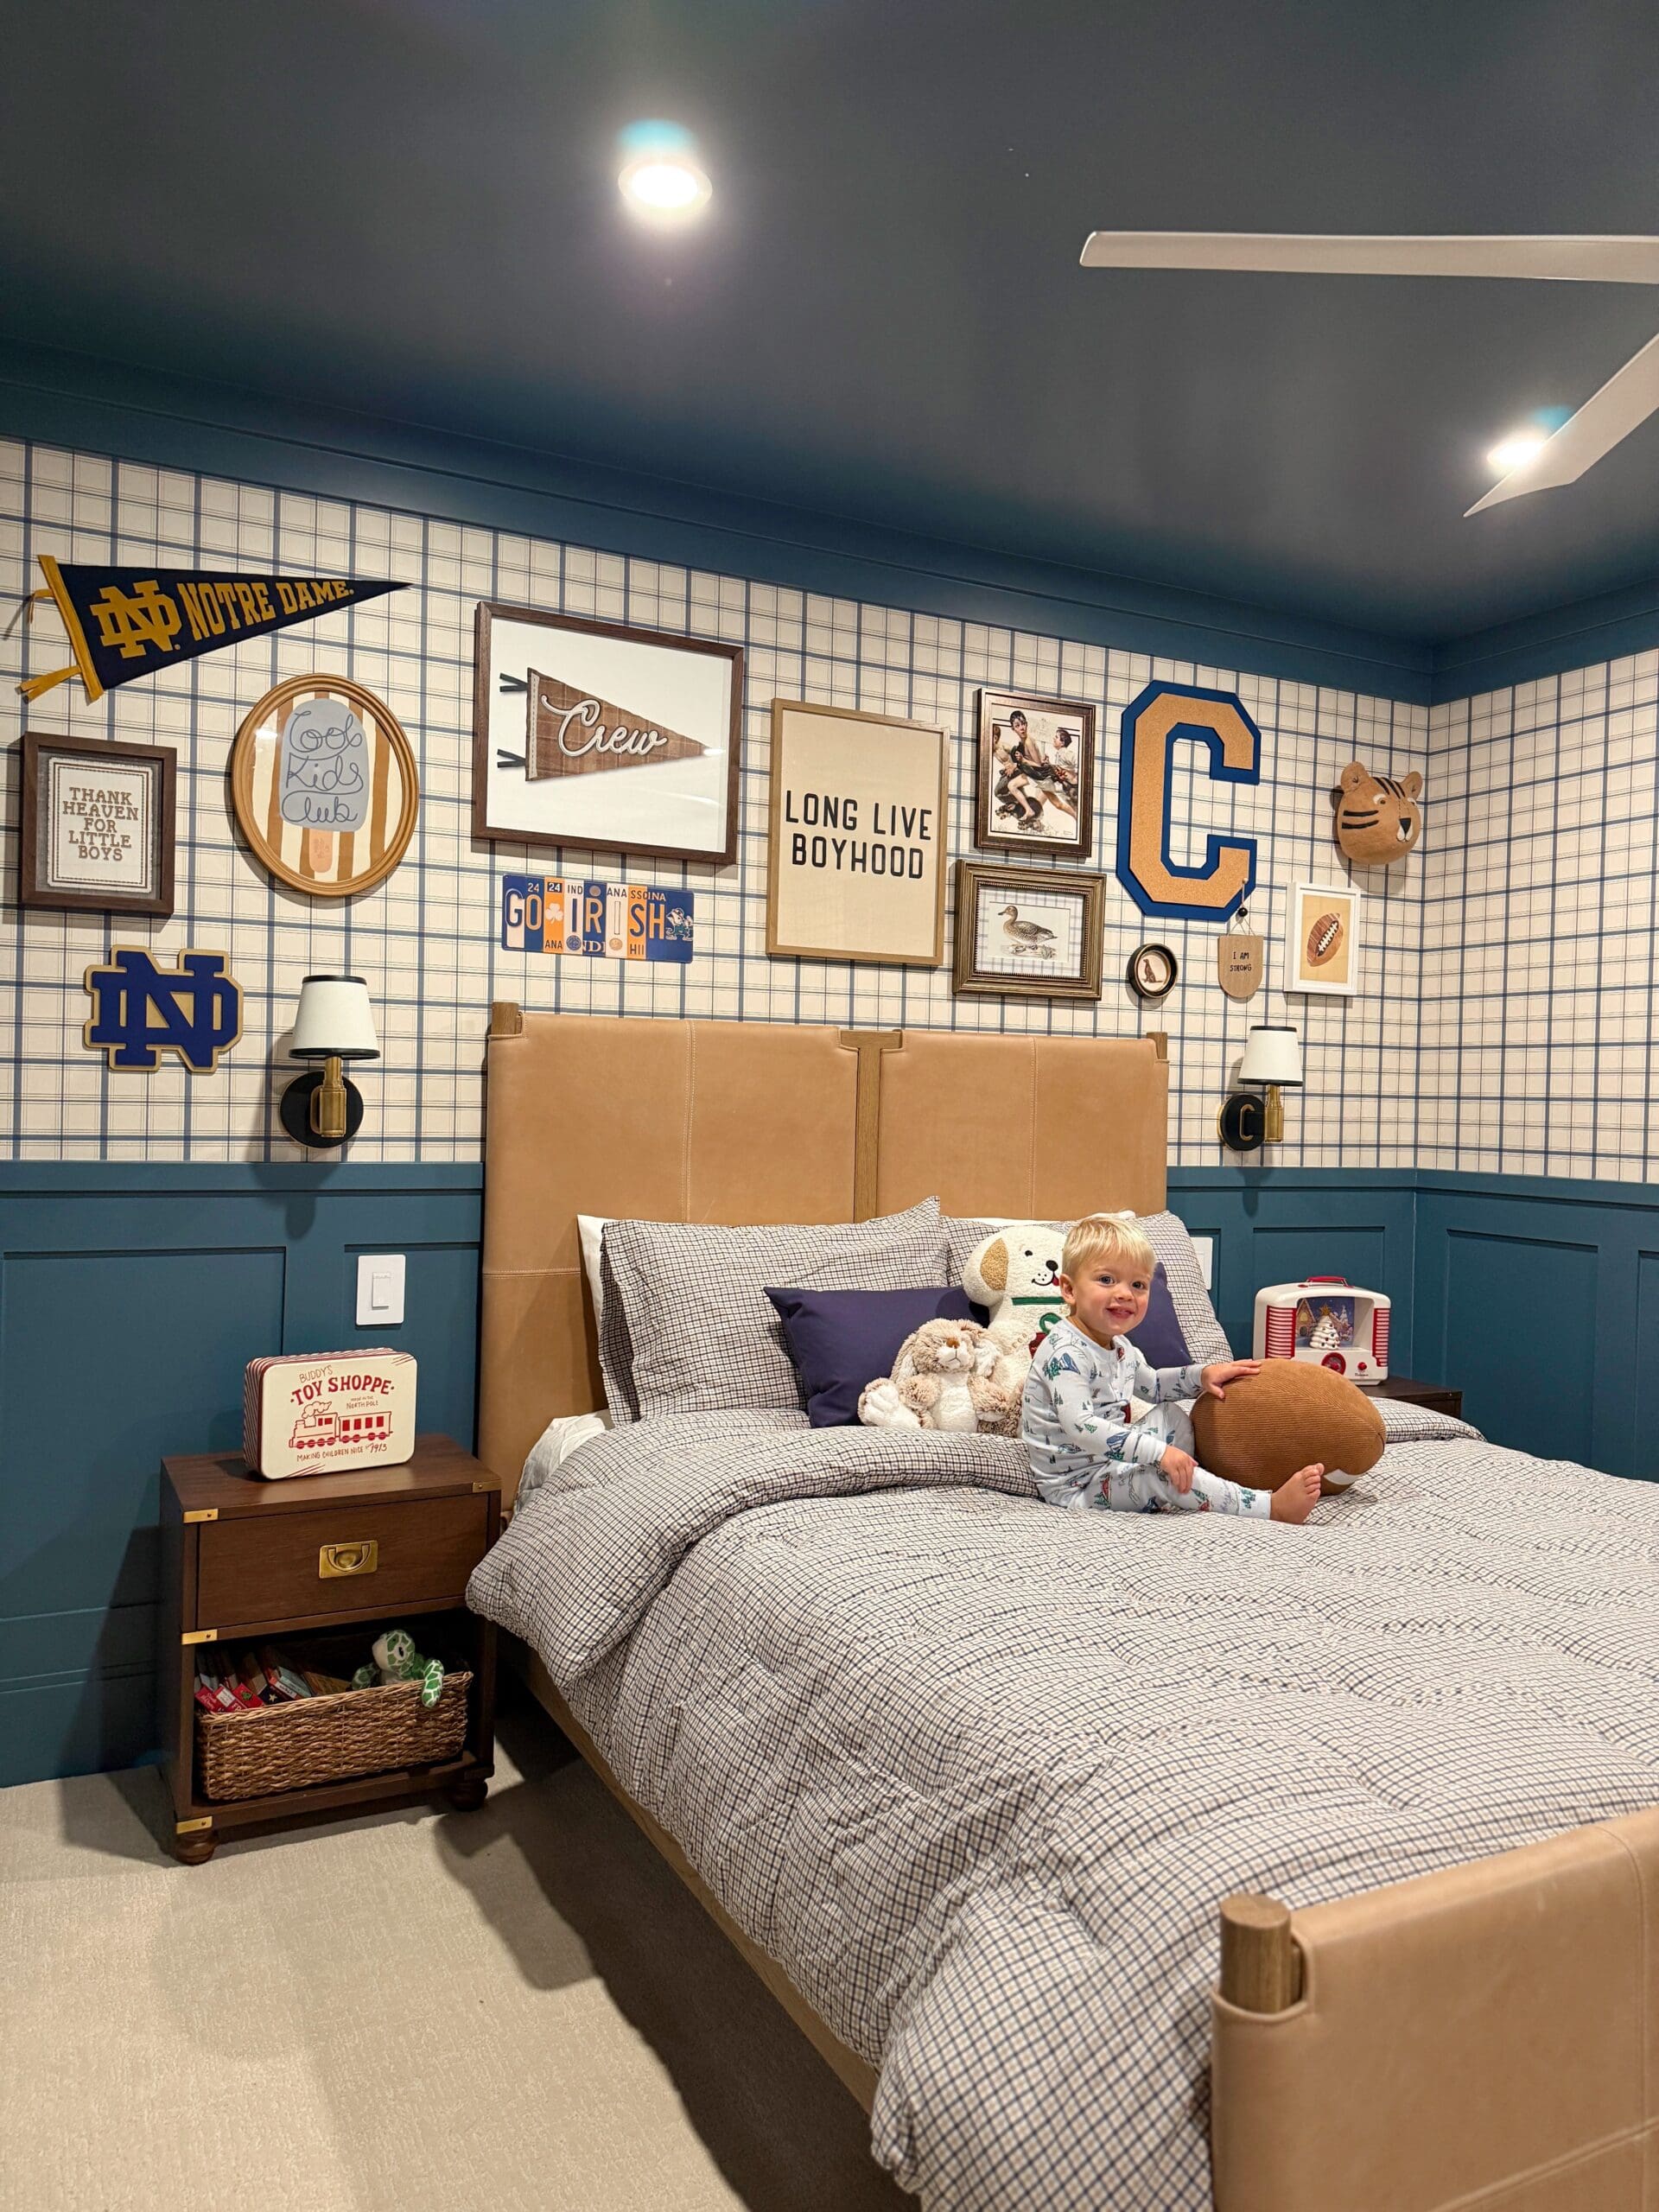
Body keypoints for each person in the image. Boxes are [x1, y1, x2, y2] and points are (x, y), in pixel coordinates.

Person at [1021, 1214, 1322, 1522]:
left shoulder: (1120, 1346)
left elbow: (1153, 1386)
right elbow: (1082, 1427)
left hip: (1109, 1463)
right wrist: (1159, 1454)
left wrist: (1202, 1375)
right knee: (1163, 1473)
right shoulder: (1066, 1352)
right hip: (1079, 1487)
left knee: (1171, 1416)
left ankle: (1186, 1482)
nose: (1125, 1293)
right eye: (1107, 1280)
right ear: (1069, 1289)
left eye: (1138, 1284)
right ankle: (1270, 1508)